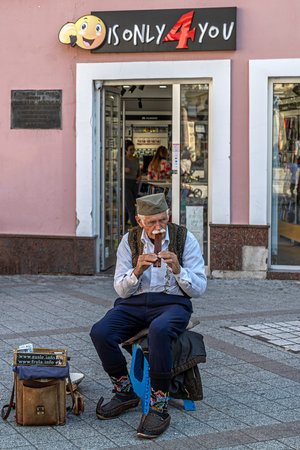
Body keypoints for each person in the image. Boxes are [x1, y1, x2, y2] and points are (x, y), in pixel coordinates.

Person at [90, 193, 207, 439]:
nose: (158, 228)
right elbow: (120, 290)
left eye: (162, 221)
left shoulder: (185, 239)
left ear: (169, 217)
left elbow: (199, 289)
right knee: (100, 332)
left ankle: (158, 406)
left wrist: (178, 269)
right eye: (152, 222)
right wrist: (136, 270)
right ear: (140, 221)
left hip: (172, 303)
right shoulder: (129, 241)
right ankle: (124, 392)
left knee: (160, 330)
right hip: (133, 303)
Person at [125, 140, 141, 227]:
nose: (132, 152)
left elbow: (139, 171)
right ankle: (134, 226)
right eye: (130, 150)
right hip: (126, 183)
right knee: (131, 206)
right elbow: (116, 171)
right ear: (126, 150)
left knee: (129, 204)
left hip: (135, 183)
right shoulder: (123, 160)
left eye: (133, 149)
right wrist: (124, 170)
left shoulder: (136, 159)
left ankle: (124, 222)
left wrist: (139, 177)